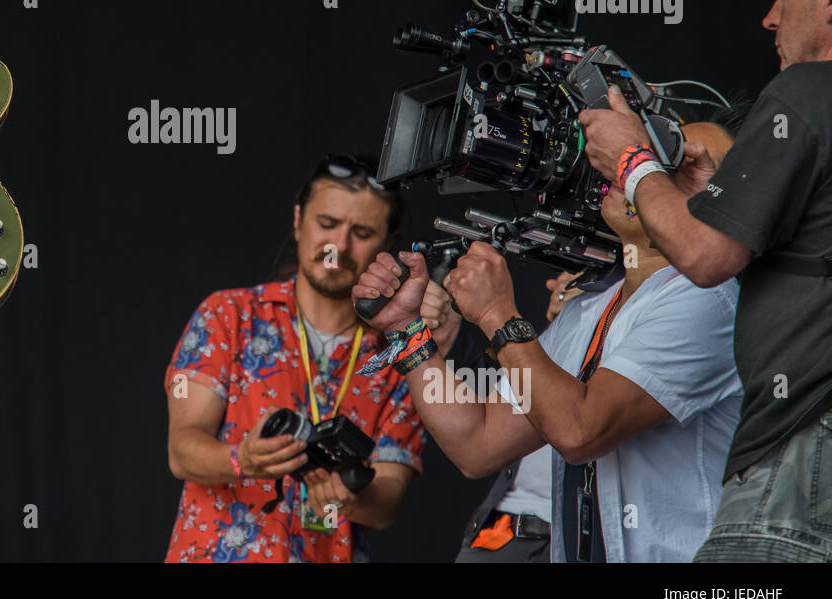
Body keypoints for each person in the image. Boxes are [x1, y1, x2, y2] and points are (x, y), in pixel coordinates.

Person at [354, 118, 746, 562]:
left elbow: (580, 430)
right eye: (651, 147)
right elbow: (478, 443)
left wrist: (496, 314)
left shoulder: (708, 299)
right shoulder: (591, 308)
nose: (639, 166)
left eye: (682, 163)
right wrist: (406, 332)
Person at [578, 0, 832, 562]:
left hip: (791, 477)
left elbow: (705, 255)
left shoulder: (807, 90)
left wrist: (634, 161)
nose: (770, 18)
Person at [163, 155, 448, 562]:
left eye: (362, 232)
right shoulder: (228, 315)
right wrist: (241, 459)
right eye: (327, 224)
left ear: (386, 247)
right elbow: (183, 450)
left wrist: (352, 497)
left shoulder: (400, 352)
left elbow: (388, 499)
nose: (339, 246)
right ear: (298, 220)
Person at [450, 272, 578, 563]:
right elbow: (481, 437)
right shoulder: (570, 316)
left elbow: (577, 431)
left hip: (581, 537)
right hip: (505, 533)